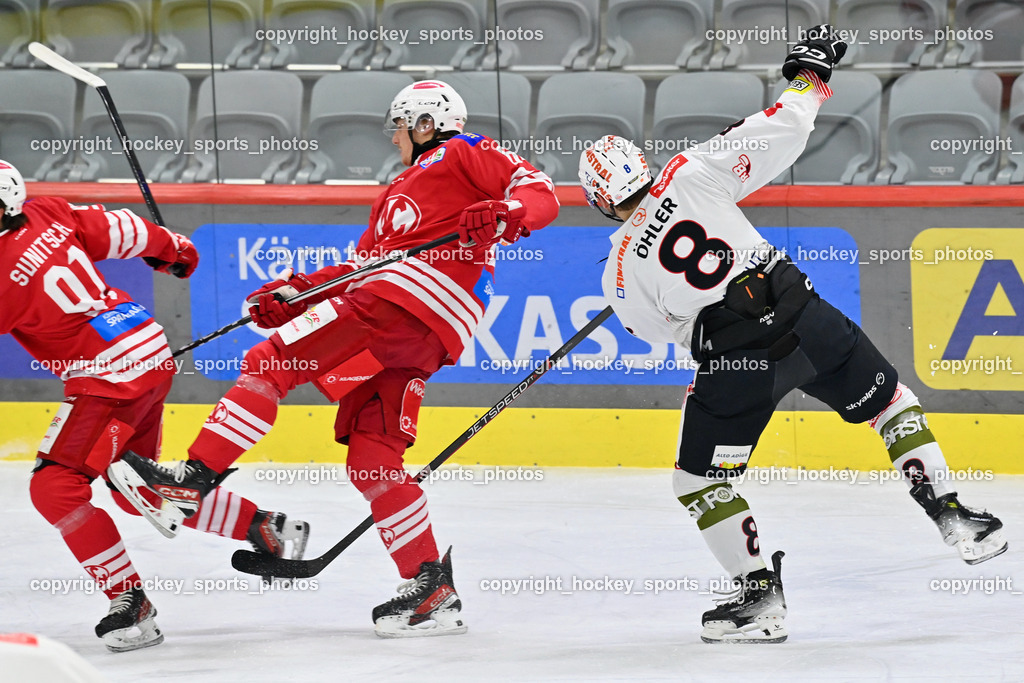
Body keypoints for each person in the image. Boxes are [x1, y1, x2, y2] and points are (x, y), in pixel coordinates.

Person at [577, 26, 1007, 643]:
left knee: (699, 482)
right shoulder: (691, 169)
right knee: (890, 403)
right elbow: (787, 125)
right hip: (806, 317)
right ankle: (952, 513)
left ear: (598, 199)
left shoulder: (618, 270)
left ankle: (758, 598)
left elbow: (661, 332)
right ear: (642, 166)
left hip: (737, 361)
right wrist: (811, 75)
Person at [110, 80, 560, 638]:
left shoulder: (464, 151)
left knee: (269, 365)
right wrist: (296, 293)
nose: (395, 138)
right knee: (372, 457)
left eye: (401, 127)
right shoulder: (396, 194)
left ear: (426, 124)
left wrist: (509, 212)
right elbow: (360, 269)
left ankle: (192, 479)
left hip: (401, 302)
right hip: (424, 333)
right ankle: (430, 588)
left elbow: (540, 190)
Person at [0, 160, 309, 652]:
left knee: (55, 487)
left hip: (107, 375)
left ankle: (131, 604)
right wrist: (173, 248)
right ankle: (264, 526)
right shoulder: (48, 212)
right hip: (145, 346)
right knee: (136, 489)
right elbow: (123, 228)